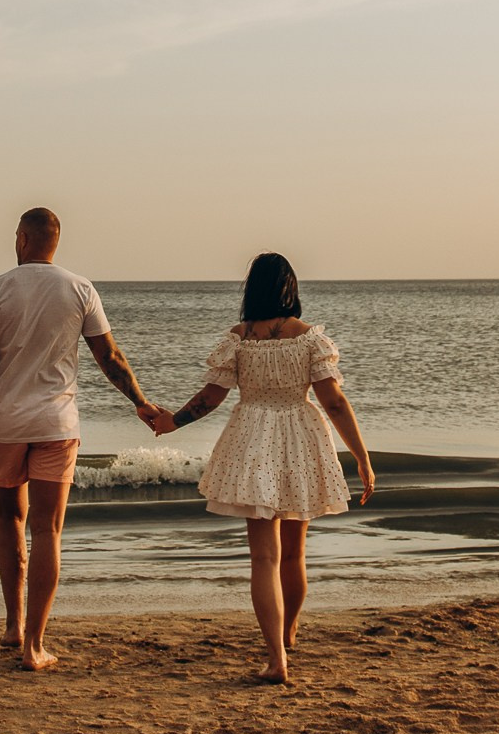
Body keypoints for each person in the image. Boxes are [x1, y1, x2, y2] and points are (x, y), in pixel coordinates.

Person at [152, 252, 374, 683]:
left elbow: (212, 397)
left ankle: (276, 657)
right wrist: (361, 457)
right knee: (293, 554)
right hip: (301, 437)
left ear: (251, 289)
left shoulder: (239, 338)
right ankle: (288, 634)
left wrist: (171, 422)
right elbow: (334, 402)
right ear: (291, 288)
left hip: (251, 436)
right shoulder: (310, 340)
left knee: (263, 559)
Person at [0, 206, 159, 671]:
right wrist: (140, 402)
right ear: (55, 241)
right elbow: (108, 355)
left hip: (7, 423)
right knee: (47, 529)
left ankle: (12, 625)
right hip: (56, 424)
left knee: (9, 520)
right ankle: (34, 645)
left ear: (22, 239)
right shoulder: (79, 288)